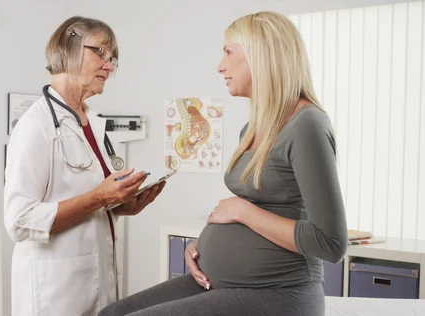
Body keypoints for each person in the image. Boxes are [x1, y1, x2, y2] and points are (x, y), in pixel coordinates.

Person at [99, 11, 348, 316]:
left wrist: (243, 211)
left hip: (279, 294)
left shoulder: (307, 124)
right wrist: (202, 250)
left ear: (261, 57)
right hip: (219, 281)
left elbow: (331, 242)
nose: (220, 66)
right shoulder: (254, 128)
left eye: (229, 52)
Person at [4, 16, 166, 315]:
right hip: (54, 290)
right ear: (69, 48)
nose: (110, 65)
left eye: (112, 57)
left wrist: (120, 206)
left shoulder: (94, 122)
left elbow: (90, 201)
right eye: (101, 52)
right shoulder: (35, 126)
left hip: (95, 279)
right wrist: (100, 198)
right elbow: (20, 220)